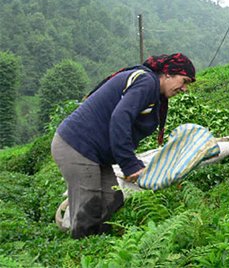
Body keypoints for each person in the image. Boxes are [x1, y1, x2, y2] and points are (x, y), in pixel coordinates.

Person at [51, 53, 196, 239]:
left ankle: (99, 243)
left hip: (96, 152)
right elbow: (120, 118)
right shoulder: (147, 83)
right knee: (90, 204)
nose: (184, 89)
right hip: (76, 146)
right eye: (183, 81)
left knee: (113, 198)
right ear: (168, 74)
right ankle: (81, 249)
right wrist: (130, 165)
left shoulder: (152, 89)